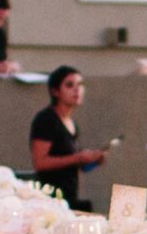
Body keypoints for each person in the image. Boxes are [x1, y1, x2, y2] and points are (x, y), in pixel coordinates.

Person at [28, 66, 107, 208]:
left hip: (69, 196)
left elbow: (74, 164)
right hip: (51, 199)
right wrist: (78, 158)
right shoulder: (46, 119)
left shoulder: (72, 123)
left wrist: (93, 160)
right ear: (55, 91)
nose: (77, 90)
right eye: (69, 85)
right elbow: (40, 162)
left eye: (80, 84)